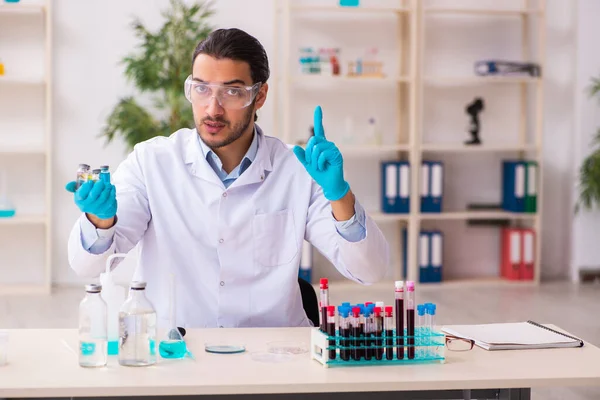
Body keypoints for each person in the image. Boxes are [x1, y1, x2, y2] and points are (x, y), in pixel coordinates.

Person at [66, 28, 390, 328]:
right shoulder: (151, 162)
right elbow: (88, 267)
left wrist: (339, 195)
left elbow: (369, 270)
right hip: (175, 350)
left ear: (259, 96)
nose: (213, 108)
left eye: (232, 92)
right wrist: (100, 220)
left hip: (274, 356)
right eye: (201, 89)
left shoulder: (298, 169)